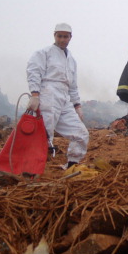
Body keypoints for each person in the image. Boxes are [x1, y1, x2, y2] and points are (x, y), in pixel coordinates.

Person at [26, 23, 89, 168]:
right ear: (54, 35)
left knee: (81, 133)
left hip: (64, 98)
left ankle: (72, 164)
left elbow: (72, 85)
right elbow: (34, 72)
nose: (62, 39)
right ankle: (32, 167)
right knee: (44, 134)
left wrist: (77, 105)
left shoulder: (71, 60)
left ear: (70, 37)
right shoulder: (44, 53)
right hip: (48, 94)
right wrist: (35, 94)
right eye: (59, 36)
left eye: (65, 36)